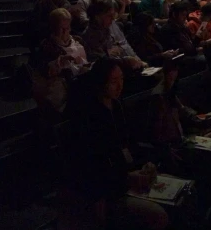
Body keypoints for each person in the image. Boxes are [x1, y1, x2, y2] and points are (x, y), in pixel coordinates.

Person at [60, 58, 169, 230]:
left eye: (122, 80)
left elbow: (129, 143)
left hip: (125, 177)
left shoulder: (117, 106)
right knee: (158, 216)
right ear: (101, 83)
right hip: (109, 189)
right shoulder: (89, 117)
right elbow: (93, 165)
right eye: (113, 81)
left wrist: (144, 164)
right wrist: (126, 177)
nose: (120, 86)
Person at [81, 0, 145, 69]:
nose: (113, 18)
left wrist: (137, 60)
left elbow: (123, 45)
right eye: (109, 15)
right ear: (97, 17)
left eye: (113, 15)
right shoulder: (90, 35)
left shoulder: (109, 27)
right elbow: (102, 62)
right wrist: (126, 61)